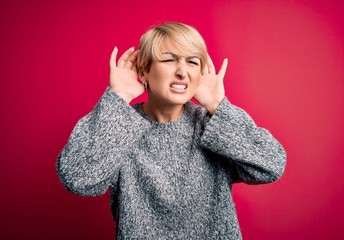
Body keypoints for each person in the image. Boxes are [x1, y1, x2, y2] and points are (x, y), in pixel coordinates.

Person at [57, 22, 286, 239]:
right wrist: (119, 98)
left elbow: (270, 166)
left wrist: (218, 105)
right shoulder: (121, 126)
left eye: (193, 62)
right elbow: (78, 179)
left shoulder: (213, 125)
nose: (182, 72)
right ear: (144, 71)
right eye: (169, 60)